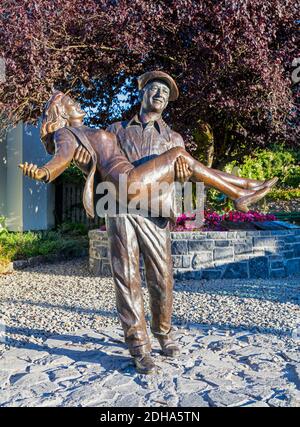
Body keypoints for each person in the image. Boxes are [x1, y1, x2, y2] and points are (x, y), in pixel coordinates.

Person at [20, 85, 277, 374]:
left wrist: (180, 178)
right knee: (127, 278)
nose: (160, 95)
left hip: (155, 212)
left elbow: (176, 180)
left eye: (166, 93)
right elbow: (84, 159)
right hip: (120, 208)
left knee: (162, 279)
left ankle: (163, 332)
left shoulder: (173, 137)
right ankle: (139, 346)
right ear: (142, 94)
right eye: (154, 89)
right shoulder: (115, 128)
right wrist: (46, 171)